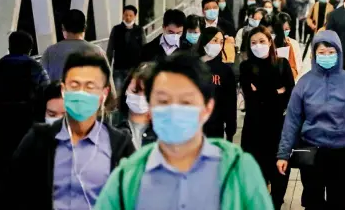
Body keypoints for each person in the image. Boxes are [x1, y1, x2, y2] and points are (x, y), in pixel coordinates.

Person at [94, 52, 273, 210]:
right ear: (150, 108)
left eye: (186, 102)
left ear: (207, 108)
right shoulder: (127, 176)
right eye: (163, 101)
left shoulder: (238, 170)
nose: (173, 110)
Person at [8, 52, 135, 209]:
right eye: (74, 86)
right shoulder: (37, 140)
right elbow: (11, 197)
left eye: (90, 87)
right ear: (63, 90)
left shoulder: (121, 145)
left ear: (104, 94)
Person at [276, 30, 345, 210]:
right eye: (321, 52)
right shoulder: (304, 84)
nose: (326, 56)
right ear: (313, 54)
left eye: (331, 52)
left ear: (339, 53)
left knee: (339, 202)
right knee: (313, 203)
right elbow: (292, 121)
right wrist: (283, 154)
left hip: (341, 154)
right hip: (312, 153)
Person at [0, 31, 50, 210]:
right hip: (28, 127)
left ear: (9, 47)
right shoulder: (36, 68)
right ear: (30, 49)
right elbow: (47, 98)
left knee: (2, 168)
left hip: (1, 128)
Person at [239, 26, 295, 209]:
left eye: (262, 41)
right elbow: (251, 98)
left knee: (279, 170)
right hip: (253, 127)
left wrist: (263, 92)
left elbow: (289, 95)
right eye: (253, 43)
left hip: (278, 126)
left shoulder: (282, 63)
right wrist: (275, 91)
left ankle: (276, 202)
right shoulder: (246, 67)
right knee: (256, 171)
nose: (258, 46)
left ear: (270, 42)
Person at [41, 9, 107, 81]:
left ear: (63, 27)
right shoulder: (97, 52)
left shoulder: (50, 52)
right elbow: (108, 84)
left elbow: (43, 82)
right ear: (85, 27)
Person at [197, 27, 237, 141]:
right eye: (214, 41)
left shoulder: (225, 70)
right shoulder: (193, 66)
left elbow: (230, 102)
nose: (218, 45)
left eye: (221, 42)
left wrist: (230, 129)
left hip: (215, 127)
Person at [116, 63, 157, 150]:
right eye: (135, 91)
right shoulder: (110, 123)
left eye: (147, 94)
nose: (140, 97)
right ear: (127, 88)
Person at [106, 5, 147, 92]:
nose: (128, 17)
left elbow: (144, 48)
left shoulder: (139, 30)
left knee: (132, 94)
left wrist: (143, 66)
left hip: (134, 69)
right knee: (118, 93)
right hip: (118, 68)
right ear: (123, 15)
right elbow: (110, 48)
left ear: (135, 16)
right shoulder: (116, 29)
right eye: (126, 15)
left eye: (130, 15)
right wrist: (107, 65)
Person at [273, 13, 302, 80]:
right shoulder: (269, 43)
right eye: (281, 30)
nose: (284, 32)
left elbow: (298, 65)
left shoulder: (293, 43)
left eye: (286, 29)